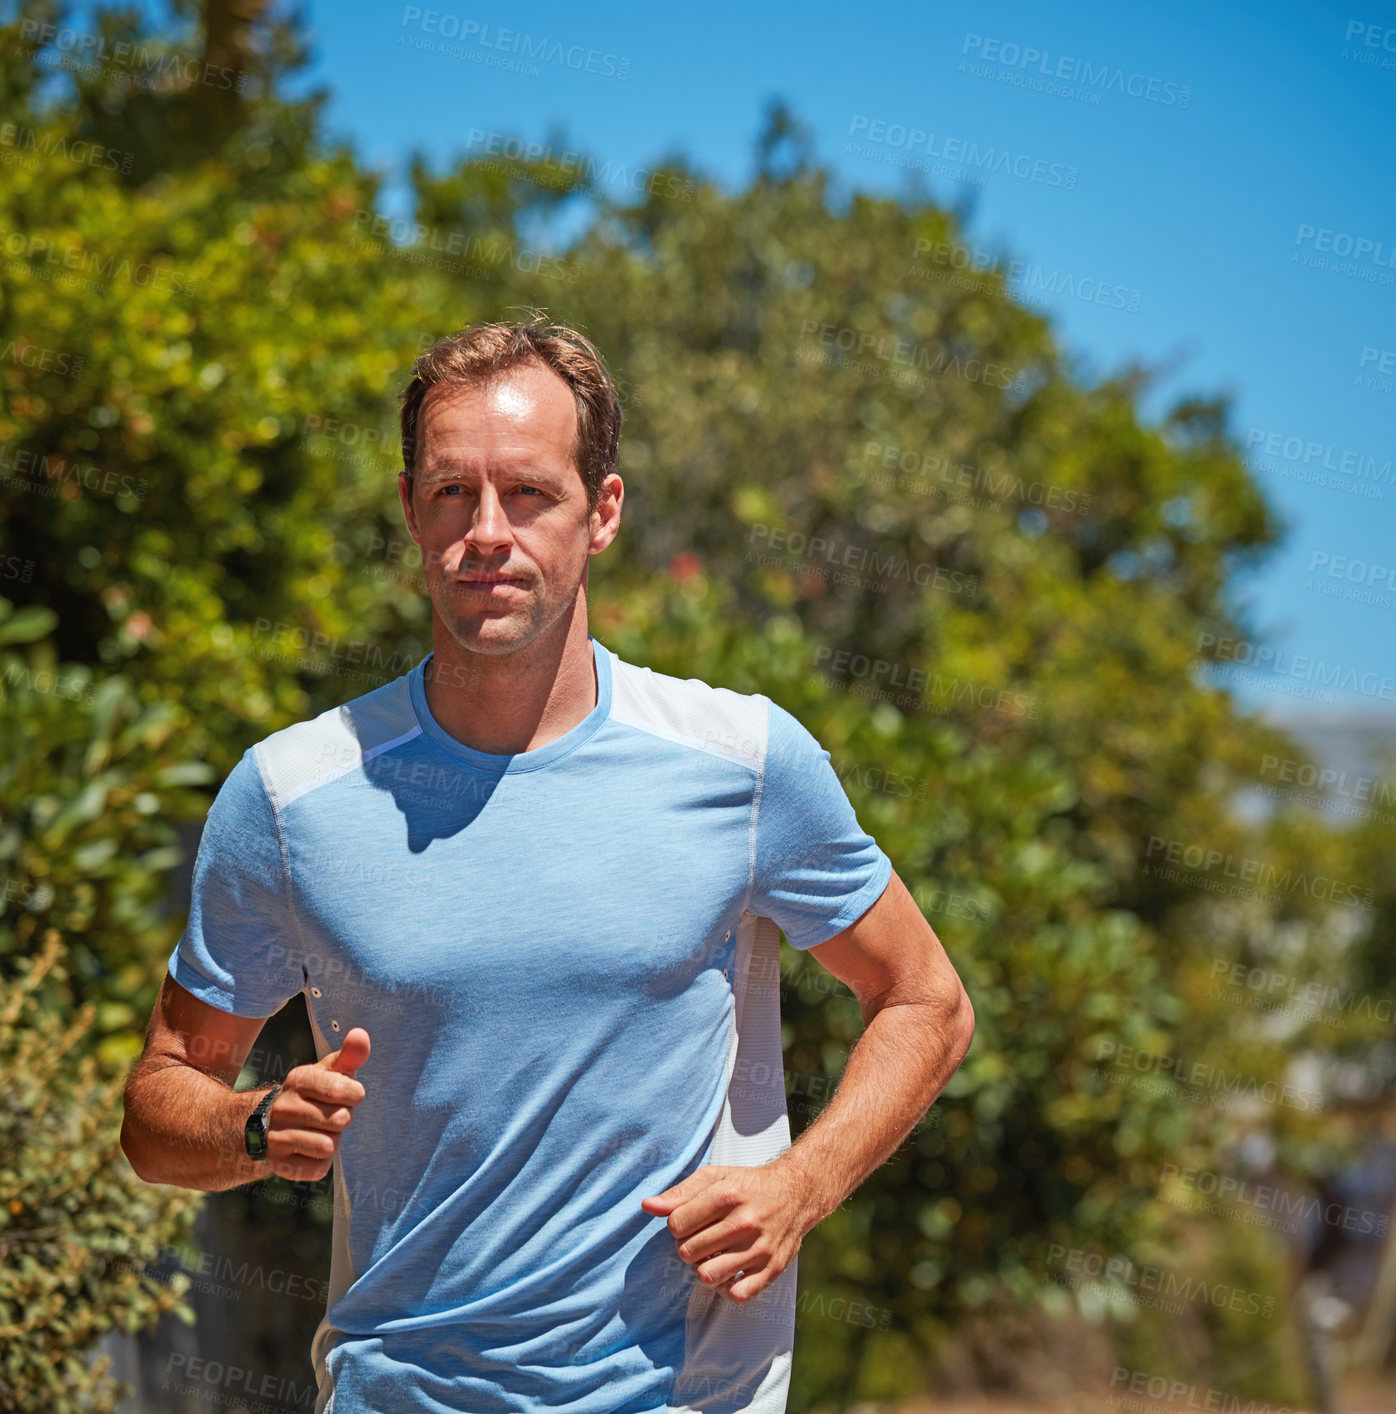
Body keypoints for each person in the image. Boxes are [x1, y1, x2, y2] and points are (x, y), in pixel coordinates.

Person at [120, 316, 975, 1414]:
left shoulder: (743, 762)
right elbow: (157, 1105)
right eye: (450, 494)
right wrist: (248, 1123)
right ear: (409, 510)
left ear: (601, 512)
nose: (487, 531)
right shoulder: (292, 796)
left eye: (527, 493)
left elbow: (925, 999)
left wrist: (801, 1185)